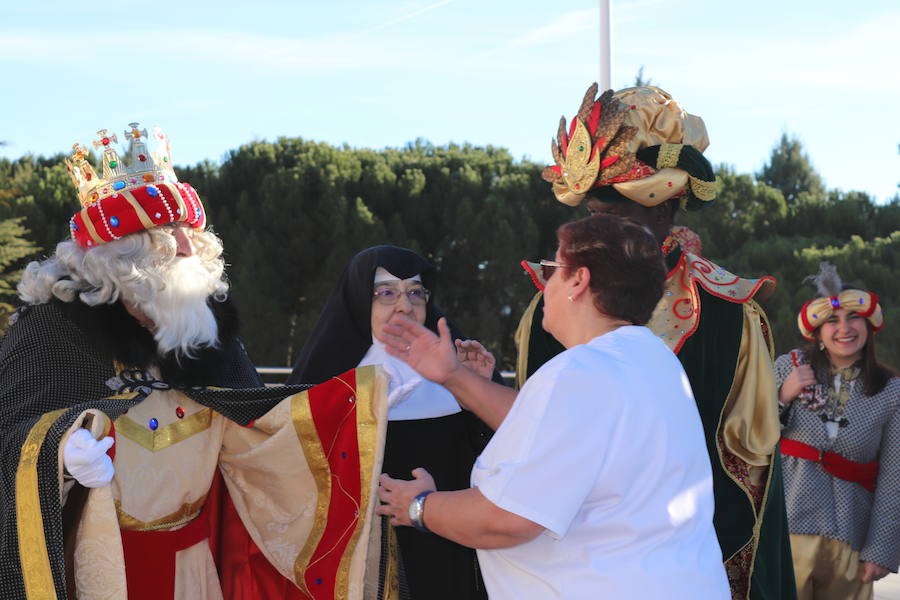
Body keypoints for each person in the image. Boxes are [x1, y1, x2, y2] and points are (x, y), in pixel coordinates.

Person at [0, 126, 391, 600]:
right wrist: (58, 452)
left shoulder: (207, 334)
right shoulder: (55, 330)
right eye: (168, 233)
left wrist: (350, 410)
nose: (188, 247)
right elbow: (12, 433)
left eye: (190, 230)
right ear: (118, 255)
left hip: (196, 566)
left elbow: (255, 422)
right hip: (99, 567)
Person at [515, 83, 796, 599]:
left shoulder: (730, 315)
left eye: (615, 219)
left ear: (663, 212)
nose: (597, 240)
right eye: (589, 220)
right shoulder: (547, 305)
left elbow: (749, 477)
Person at [375, 214, 730, 599]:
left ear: (578, 280)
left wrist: (420, 507)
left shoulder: (579, 373)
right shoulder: (650, 357)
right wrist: (456, 377)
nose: (544, 285)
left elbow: (507, 520)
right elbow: (550, 432)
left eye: (551, 271)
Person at [287, 245, 495, 600]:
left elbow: (496, 461)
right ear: (358, 301)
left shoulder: (456, 367)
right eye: (385, 293)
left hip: (445, 547)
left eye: (415, 292)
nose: (404, 305)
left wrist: (477, 392)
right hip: (359, 554)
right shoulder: (326, 375)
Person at [774, 262, 899, 599]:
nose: (844, 328)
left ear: (869, 325)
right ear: (817, 331)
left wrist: (881, 548)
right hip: (786, 530)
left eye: (853, 318)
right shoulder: (788, 367)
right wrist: (783, 396)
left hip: (852, 542)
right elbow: (745, 436)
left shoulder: (891, 391)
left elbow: (895, 475)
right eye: (832, 320)